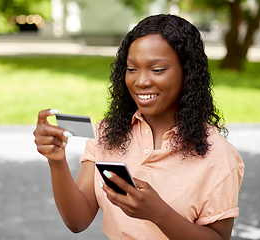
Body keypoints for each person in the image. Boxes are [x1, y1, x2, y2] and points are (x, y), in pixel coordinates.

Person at [34, 14, 244, 240]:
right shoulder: (107, 132)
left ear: (187, 73)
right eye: (132, 69)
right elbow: (78, 220)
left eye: (158, 69)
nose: (141, 81)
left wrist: (159, 213)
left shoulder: (218, 155)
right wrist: (56, 161)